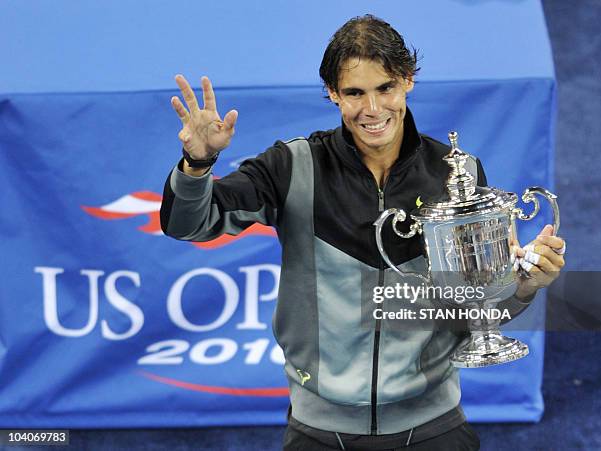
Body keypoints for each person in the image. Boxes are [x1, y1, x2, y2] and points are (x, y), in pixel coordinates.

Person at [160, 15, 565, 451]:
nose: (372, 110)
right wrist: (197, 164)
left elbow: (472, 312)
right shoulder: (292, 167)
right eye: (354, 93)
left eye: (385, 88)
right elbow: (188, 225)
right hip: (319, 431)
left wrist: (524, 288)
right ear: (333, 94)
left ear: (408, 80)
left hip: (434, 426)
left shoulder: (456, 174)